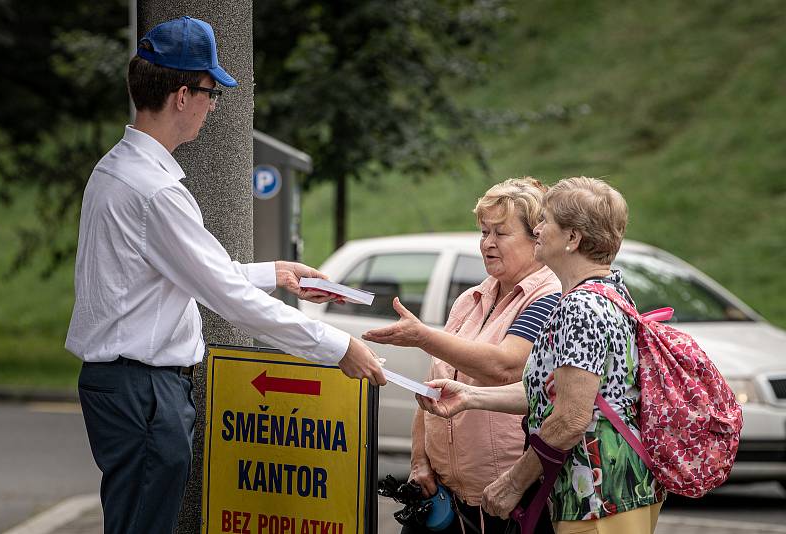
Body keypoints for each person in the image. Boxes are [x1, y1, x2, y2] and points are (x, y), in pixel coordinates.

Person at [65, 16, 385, 534]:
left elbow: (186, 270)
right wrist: (338, 347)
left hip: (123, 385)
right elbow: (227, 297)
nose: (214, 107)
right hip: (145, 391)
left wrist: (273, 271)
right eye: (212, 93)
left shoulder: (114, 170)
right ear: (182, 95)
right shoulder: (158, 192)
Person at [418, 177, 666, 534]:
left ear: (572, 238)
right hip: (613, 492)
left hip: (597, 498)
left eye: (545, 220)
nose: (537, 229)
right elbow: (557, 393)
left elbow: (570, 419)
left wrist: (513, 483)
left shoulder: (580, 308)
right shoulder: (608, 291)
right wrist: (470, 396)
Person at [363, 178, 561, 533]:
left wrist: (424, 336)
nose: (487, 244)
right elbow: (431, 389)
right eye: (484, 232)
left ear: (537, 239)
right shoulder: (471, 298)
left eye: (501, 233)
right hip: (444, 495)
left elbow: (505, 367)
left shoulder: (547, 297)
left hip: (507, 500)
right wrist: (419, 460)